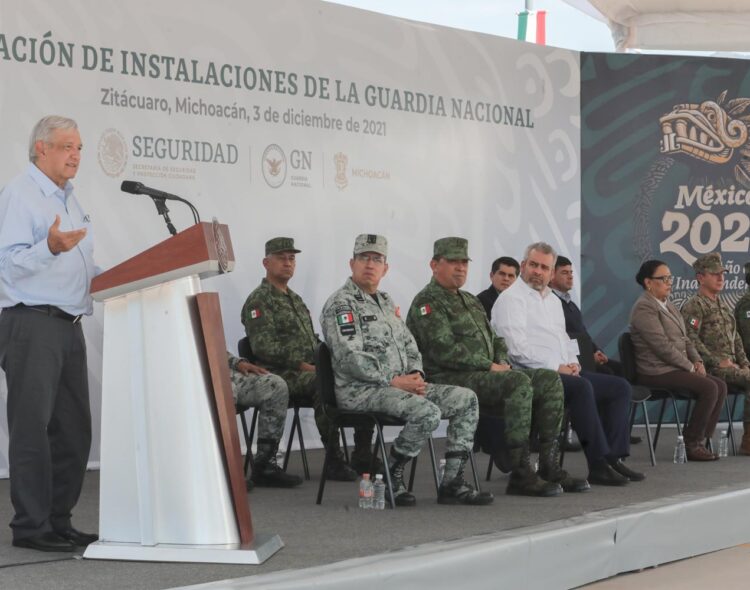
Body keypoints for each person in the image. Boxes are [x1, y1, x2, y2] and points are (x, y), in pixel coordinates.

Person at [320, 234, 492, 506]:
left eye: (377, 259)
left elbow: (410, 345)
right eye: (364, 257)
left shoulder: (386, 302)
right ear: (351, 263)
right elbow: (348, 357)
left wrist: (417, 375)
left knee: (466, 399)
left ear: (385, 269)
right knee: (427, 412)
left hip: (400, 387)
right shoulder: (341, 304)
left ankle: (452, 482)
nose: (370, 264)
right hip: (362, 391)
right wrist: (393, 381)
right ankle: (392, 474)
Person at [406, 237, 588, 496]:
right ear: (435, 265)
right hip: (450, 377)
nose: (460, 268)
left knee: (548, 379)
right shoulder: (427, 302)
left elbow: (496, 339)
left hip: (484, 373)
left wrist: (501, 361)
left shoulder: (469, 300)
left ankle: (549, 465)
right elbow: (443, 350)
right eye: (453, 262)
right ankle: (521, 472)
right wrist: (490, 365)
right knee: (518, 382)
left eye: (464, 263)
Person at [0, 116, 98, 552]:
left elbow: (79, 265)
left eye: (79, 147)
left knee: (73, 430)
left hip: (68, 324)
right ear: (41, 148)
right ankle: (31, 526)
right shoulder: (20, 196)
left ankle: (58, 520)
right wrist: (50, 247)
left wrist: (125, 276)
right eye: (66, 146)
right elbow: (9, 264)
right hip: (31, 322)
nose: (76, 155)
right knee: (32, 429)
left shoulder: (71, 200)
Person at [492, 242, 644, 486]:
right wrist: (557, 366)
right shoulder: (512, 300)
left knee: (619, 387)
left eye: (544, 267)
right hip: (527, 375)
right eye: (533, 265)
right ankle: (597, 464)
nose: (538, 271)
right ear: (523, 266)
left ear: (551, 273)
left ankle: (612, 458)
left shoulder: (552, 300)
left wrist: (573, 363)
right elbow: (515, 350)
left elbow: (563, 339)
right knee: (581, 388)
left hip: (559, 370)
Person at [241, 237, 361, 481]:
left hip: (305, 369)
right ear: (266, 262)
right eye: (281, 258)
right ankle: (333, 459)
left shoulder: (294, 299)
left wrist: (332, 359)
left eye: (292, 258)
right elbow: (263, 347)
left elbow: (312, 340)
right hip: (277, 374)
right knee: (322, 383)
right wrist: (301, 365)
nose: (288, 262)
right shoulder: (259, 300)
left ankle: (363, 452)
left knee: (352, 376)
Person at [629, 259, 726, 461]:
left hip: (674, 368)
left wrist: (697, 361)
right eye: (663, 278)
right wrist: (690, 367)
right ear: (648, 282)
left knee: (720, 385)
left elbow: (686, 339)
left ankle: (702, 439)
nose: (669, 282)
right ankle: (692, 444)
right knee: (709, 388)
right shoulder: (644, 308)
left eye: (670, 278)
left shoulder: (669, 306)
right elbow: (662, 347)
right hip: (655, 372)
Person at [680, 253, 748, 454]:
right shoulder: (695, 305)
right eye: (715, 274)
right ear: (700, 278)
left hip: (732, 367)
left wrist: (745, 363)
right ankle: (748, 440)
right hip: (710, 368)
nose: (721, 278)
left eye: (722, 274)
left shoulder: (723, 306)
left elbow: (736, 339)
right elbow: (690, 339)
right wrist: (717, 362)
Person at [228, 352, 302, 488]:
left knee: (275, 385)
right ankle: (225, 471)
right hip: (190, 375)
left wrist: (237, 362)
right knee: (225, 392)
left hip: (223, 370)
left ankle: (265, 466)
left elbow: (212, 347)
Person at [550, 255, 622, 375]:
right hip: (575, 362)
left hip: (587, 356)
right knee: (610, 374)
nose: (570, 276)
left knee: (621, 369)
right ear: (552, 276)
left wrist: (597, 351)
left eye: (571, 272)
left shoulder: (571, 305)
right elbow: (566, 339)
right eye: (564, 273)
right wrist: (588, 357)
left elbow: (583, 333)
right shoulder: (550, 303)